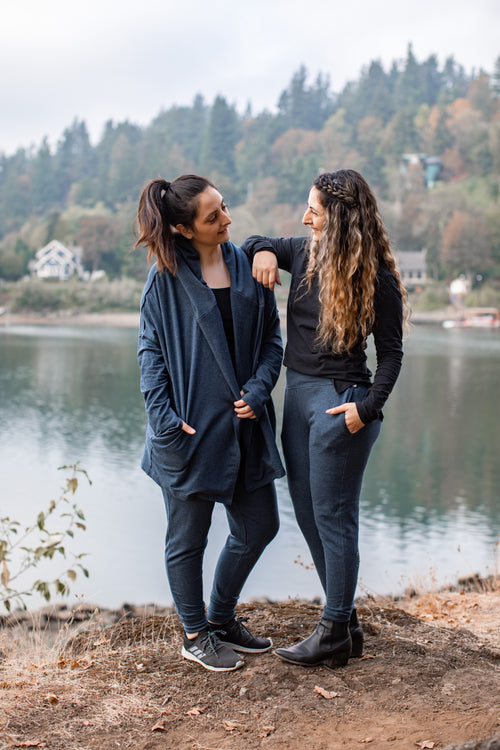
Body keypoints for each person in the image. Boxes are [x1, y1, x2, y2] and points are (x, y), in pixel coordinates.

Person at [241, 169, 409, 669]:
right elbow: (252, 242)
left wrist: (367, 409)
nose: (304, 217)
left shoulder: (376, 278)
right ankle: (346, 624)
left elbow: (392, 354)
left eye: (313, 210)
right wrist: (262, 250)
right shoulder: (301, 252)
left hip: (341, 405)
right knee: (308, 512)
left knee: (335, 517)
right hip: (297, 401)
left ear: (337, 217)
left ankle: (333, 629)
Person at [135, 174, 285, 672]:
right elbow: (150, 353)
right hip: (188, 431)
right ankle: (196, 634)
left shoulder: (245, 264)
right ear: (184, 229)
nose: (226, 219)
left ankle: (220, 617)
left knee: (260, 525)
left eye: (224, 206)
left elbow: (272, 340)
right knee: (188, 540)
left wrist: (260, 389)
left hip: (244, 427)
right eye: (213, 216)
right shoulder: (165, 278)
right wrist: (164, 420)